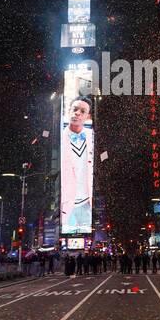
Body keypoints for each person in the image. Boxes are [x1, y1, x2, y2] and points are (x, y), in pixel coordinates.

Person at [60, 96, 94, 234]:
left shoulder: (93, 137)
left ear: (87, 116)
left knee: (86, 240)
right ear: (69, 111)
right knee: (66, 238)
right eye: (75, 109)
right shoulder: (59, 138)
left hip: (87, 203)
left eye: (82, 111)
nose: (77, 113)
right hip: (66, 203)